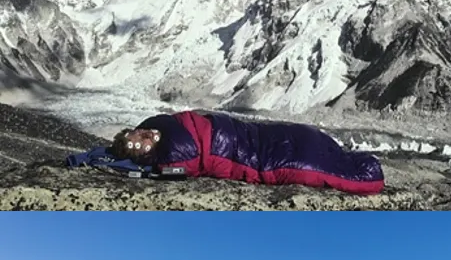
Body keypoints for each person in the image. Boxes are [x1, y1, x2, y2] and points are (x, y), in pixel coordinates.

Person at [69, 110, 385, 194]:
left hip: (250, 134)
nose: (144, 136)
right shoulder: (173, 157)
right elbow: (179, 166)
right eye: (140, 145)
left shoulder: (161, 124)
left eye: (137, 134)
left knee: (306, 142)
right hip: (254, 155)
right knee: (311, 165)